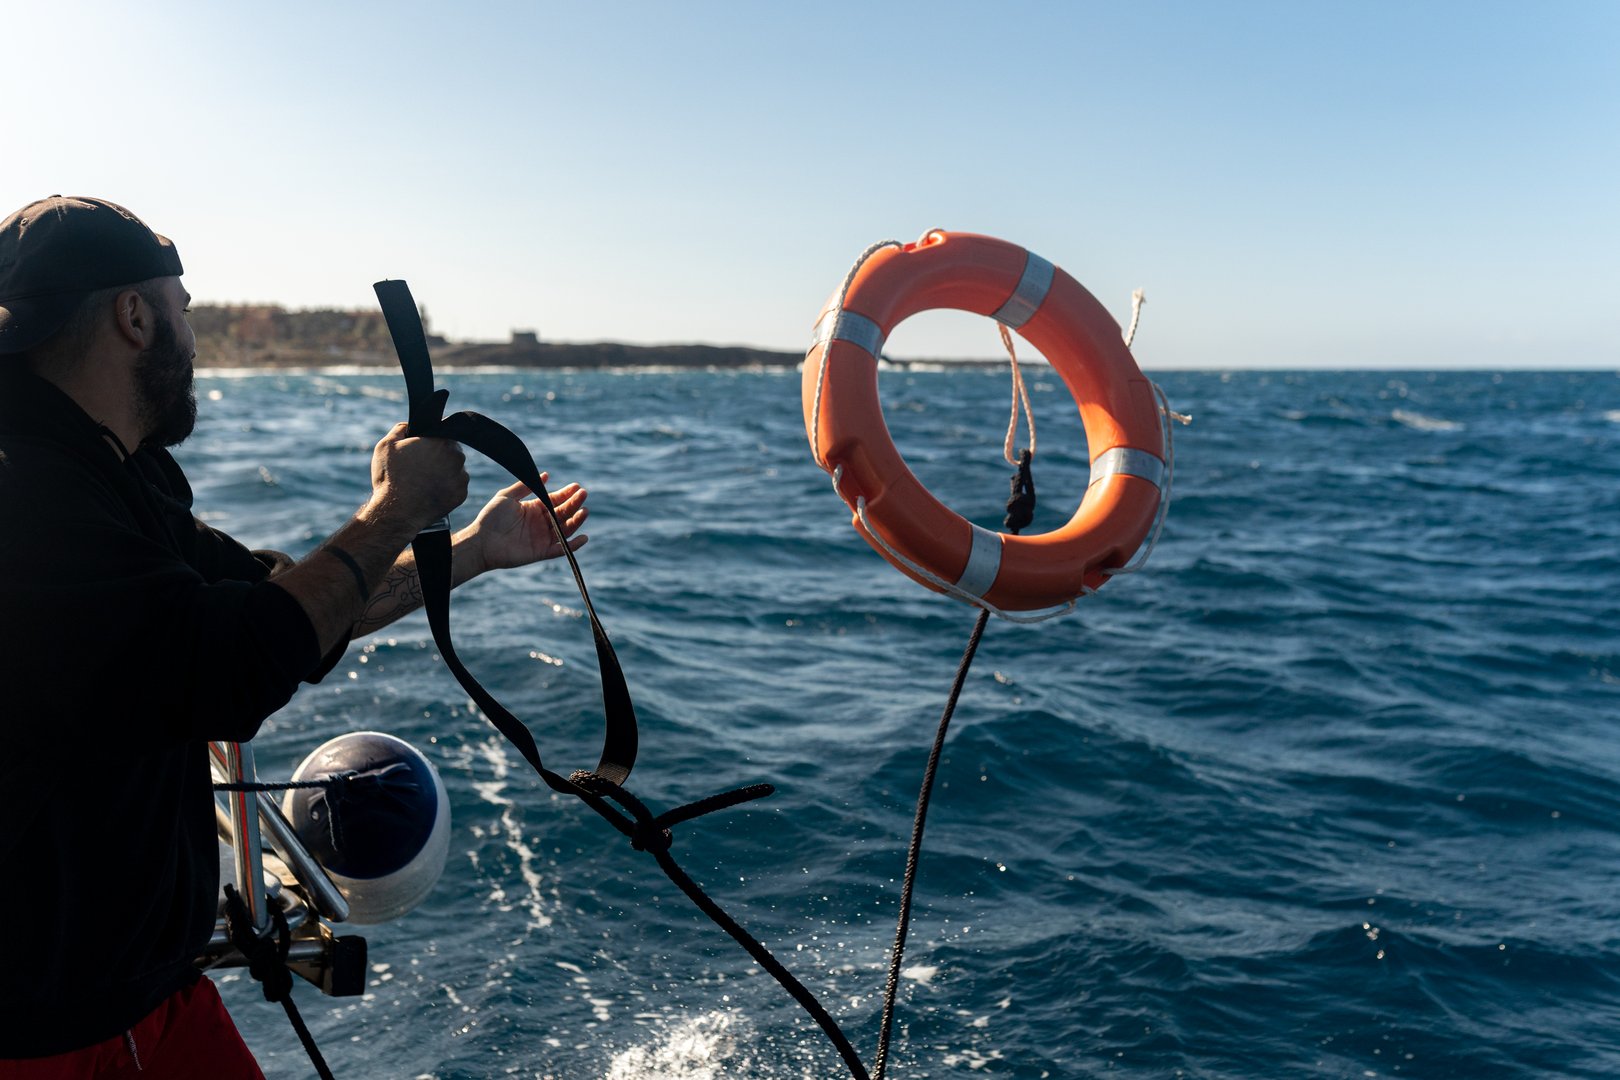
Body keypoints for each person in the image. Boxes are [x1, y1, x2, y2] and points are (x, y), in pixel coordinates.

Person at [0, 196, 588, 1077]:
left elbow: (278, 608)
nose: (192, 343)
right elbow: (230, 666)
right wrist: (396, 507)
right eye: (183, 313)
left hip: (149, 991)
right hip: (50, 1033)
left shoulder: (113, 476)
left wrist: (471, 551)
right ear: (134, 316)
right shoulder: (26, 492)